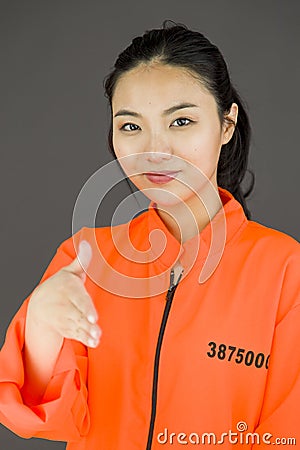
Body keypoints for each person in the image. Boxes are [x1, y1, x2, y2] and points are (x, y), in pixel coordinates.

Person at [0, 20, 299, 450]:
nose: (155, 149)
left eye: (180, 121)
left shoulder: (286, 272)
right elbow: (50, 418)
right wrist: (41, 332)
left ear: (226, 124)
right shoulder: (86, 258)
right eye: (131, 126)